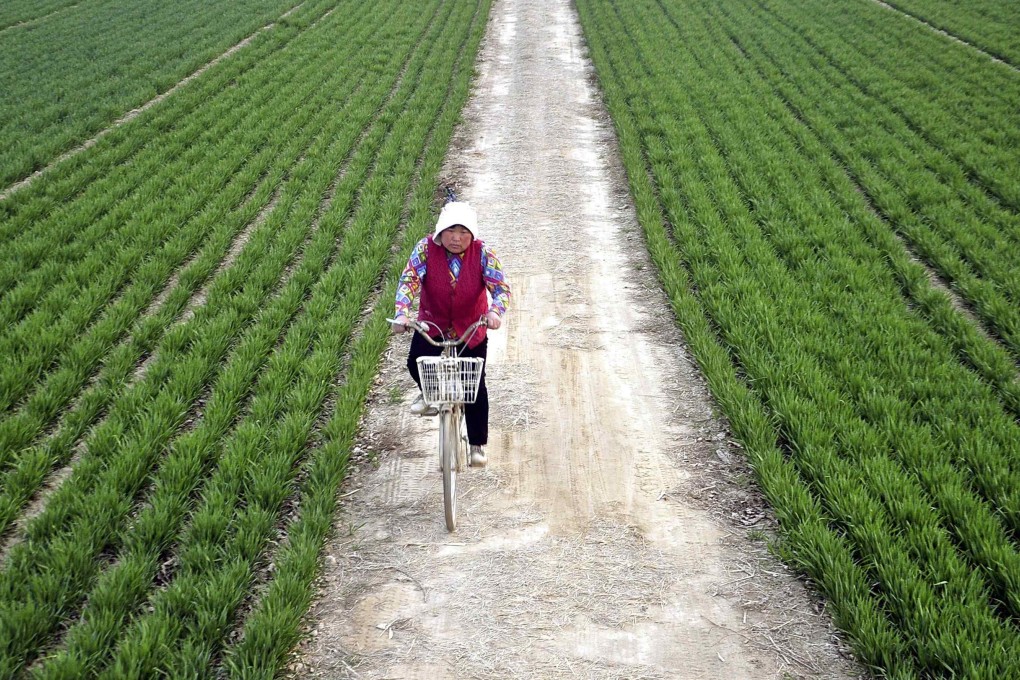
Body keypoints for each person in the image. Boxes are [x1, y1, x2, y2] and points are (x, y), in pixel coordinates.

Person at [391, 200, 511, 468]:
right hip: (433, 323)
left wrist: (495, 313)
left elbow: (501, 289)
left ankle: (477, 445)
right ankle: (429, 394)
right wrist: (401, 313)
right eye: (450, 231)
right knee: (416, 363)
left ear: (472, 234)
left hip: (470, 327)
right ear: (440, 232)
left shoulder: (484, 254)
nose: (456, 238)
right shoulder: (425, 250)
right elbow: (409, 280)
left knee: (475, 385)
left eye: (464, 232)